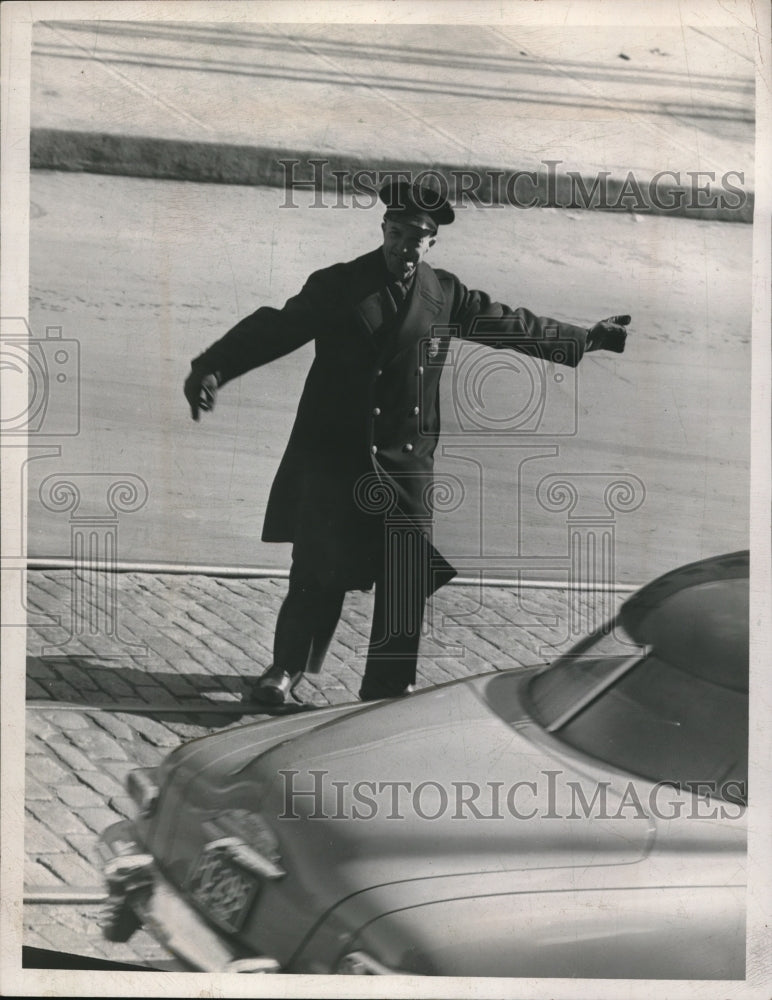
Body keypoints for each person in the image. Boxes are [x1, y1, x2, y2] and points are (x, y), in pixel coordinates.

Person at [184, 178, 630, 704]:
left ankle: (388, 687)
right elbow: (277, 328)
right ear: (383, 230)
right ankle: (285, 669)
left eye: (417, 237)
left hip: (406, 461)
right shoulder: (338, 285)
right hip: (337, 454)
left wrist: (586, 338)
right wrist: (214, 367)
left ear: (431, 243)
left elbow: (508, 323)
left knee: (404, 574)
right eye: (396, 233)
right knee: (316, 567)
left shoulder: (444, 294)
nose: (404, 245)